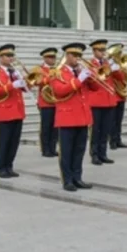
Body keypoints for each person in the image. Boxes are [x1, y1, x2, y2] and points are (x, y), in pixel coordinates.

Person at [49, 43, 98, 191]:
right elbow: (60, 91)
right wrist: (79, 79)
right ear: (67, 56)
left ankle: (77, 178)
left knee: (79, 150)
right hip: (67, 117)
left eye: (79, 55)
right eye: (75, 55)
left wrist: (91, 77)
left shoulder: (80, 71)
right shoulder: (57, 73)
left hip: (82, 117)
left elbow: (95, 88)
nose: (78, 58)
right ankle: (67, 180)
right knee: (66, 151)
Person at [0, 44, 28, 178]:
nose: (11, 58)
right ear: (0, 58)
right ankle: (0, 167)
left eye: (12, 55)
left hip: (18, 111)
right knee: (4, 142)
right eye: (8, 56)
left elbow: (25, 89)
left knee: (14, 142)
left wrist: (25, 81)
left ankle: (9, 166)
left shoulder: (15, 72)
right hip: (5, 113)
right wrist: (12, 84)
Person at [87, 39, 123, 165]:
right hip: (96, 101)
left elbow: (121, 79)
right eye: (100, 50)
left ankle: (103, 153)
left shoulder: (108, 63)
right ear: (94, 51)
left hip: (109, 100)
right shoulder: (90, 64)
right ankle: (94, 154)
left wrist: (116, 69)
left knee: (105, 129)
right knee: (96, 130)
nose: (103, 52)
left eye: (104, 50)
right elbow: (91, 84)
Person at [35, 48, 59, 157]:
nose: (53, 59)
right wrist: (50, 77)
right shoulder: (39, 69)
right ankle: (45, 149)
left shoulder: (57, 68)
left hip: (56, 101)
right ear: (44, 58)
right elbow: (37, 82)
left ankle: (52, 148)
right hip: (45, 102)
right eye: (50, 57)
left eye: (54, 57)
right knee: (46, 126)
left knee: (55, 127)